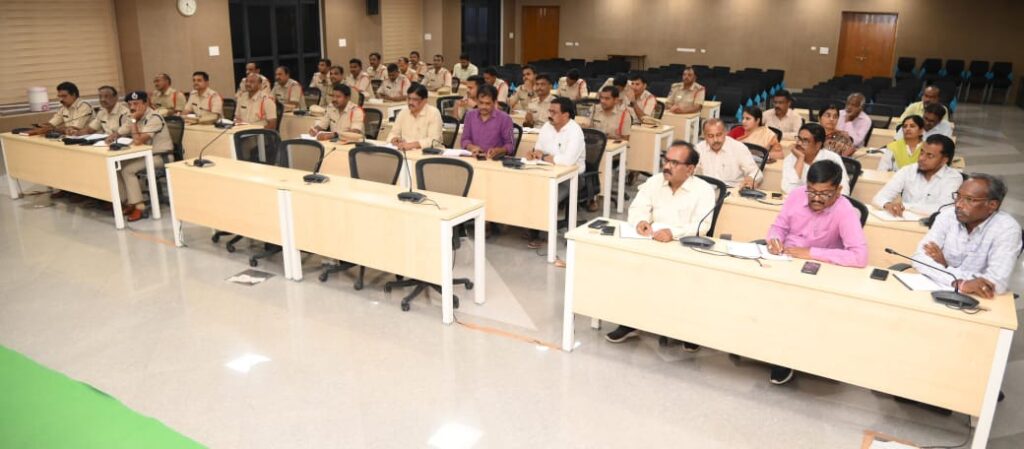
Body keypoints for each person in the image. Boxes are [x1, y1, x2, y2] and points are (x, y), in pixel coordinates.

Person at [604, 141, 716, 346]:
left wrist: (673, 233)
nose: (667, 166)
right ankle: (630, 321)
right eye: (666, 160)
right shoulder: (654, 182)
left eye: (674, 163)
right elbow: (637, 208)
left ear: (690, 169)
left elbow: (702, 226)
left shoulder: (704, 191)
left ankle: (687, 331)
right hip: (652, 242)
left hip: (684, 246)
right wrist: (641, 222)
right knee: (627, 267)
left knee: (682, 281)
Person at [765, 159, 868, 384]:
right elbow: (778, 227)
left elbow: (859, 256)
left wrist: (811, 253)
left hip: (817, 270)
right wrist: (774, 240)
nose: (816, 198)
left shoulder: (845, 211)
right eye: (811, 191)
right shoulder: (796, 196)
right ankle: (761, 344)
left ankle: (785, 357)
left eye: (824, 194)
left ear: (838, 190)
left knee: (794, 306)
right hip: (784, 259)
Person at [913, 173, 1021, 297]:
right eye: (958, 196)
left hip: (980, 298)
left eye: (969, 199)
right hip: (937, 289)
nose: (958, 204)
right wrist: (959, 282)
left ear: (992, 205)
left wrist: (945, 267)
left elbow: (995, 283)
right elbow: (919, 258)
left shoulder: (1007, 229)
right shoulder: (948, 216)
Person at [525, 97, 587, 266]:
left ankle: (541, 234)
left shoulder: (575, 132)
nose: (549, 115)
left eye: (554, 112)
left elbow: (568, 161)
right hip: (546, 172)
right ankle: (531, 227)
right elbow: (538, 149)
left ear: (566, 115)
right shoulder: (547, 127)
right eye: (549, 111)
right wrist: (533, 153)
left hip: (572, 178)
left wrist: (544, 157)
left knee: (546, 198)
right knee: (525, 189)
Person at [107, 91, 172, 222]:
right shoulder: (133, 116)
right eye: (130, 104)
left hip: (161, 156)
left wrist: (133, 120)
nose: (132, 107)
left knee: (128, 170)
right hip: (144, 156)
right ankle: (128, 202)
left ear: (145, 103)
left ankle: (140, 207)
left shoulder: (154, 118)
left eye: (136, 104)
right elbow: (119, 132)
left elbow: (138, 141)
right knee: (118, 166)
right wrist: (112, 137)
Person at [873, 135, 963, 217]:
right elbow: (878, 198)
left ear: (944, 160)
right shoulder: (908, 170)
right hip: (903, 222)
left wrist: (905, 206)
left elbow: (943, 208)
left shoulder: (953, 178)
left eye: (930, 156)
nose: (921, 158)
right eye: (921, 152)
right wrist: (887, 205)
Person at [781, 123, 849, 195]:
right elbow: (787, 189)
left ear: (818, 145)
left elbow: (844, 191)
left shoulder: (832, 158)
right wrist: (800, 159)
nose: (799, 143)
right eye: (799, 139)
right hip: (800, 201)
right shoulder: (791, 158)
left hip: (826, 201)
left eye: (805, 141)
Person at [696, 118, 760, 188]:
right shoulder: (699, 149)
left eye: (719, 135)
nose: (715, 140)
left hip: (732, 190)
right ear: (704, 136)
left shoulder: (739, 148)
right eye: (710, 136)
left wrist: (751, 178)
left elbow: (756, 172)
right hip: (707, 190)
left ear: (725, 133)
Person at [461, 85, 514, 160]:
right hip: (473, 158)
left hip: (494, 161)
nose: (483, 107)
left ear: (495, 102)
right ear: (476, 101)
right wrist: (471, 147)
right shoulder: (470, 115)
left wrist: (500, 150)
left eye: (487, 103)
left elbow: (511, 145)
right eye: (481, 103)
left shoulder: (505, 119)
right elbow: (464, 139)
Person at [387, 84, 442, 151]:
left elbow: (434, 140)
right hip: (405, 151)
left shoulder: (433, 113)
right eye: (409, 98)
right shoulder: (403, 113)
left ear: (424, 101)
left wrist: (411, 145)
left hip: (427, 153)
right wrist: (393, 139)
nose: (410, 102)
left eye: (415, 99)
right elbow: (393, 133)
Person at [26, 81, 94, 136]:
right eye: (59, 96)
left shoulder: (84, 106)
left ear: (73, 95)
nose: (61, 99)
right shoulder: (63, 107)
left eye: (64, 96)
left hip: (88, 139)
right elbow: (52, 123)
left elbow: (75, 128)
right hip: (72, 138)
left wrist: (51, 129)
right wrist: (42, 126)